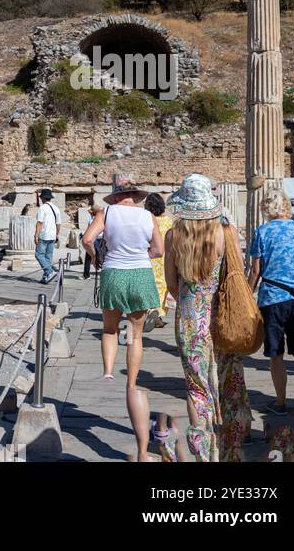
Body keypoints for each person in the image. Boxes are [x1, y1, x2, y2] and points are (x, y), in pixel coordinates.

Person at [81, 174, 162, 463]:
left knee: (109, 329)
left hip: (113, 272)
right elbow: (158, 250)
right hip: (140, 272)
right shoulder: (149, 216)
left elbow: (87, 239)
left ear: (116, 195)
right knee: (136, 334)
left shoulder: (107, 212)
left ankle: (107, 371)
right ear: (137, 196)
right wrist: (142, 255)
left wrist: (96, 257)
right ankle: (133, 380)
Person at [163, 174, 229, 462]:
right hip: (219, 318)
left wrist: (191, 299)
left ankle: (203, 452)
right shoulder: (221, 234)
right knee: (221, 380)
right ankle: (224, 444)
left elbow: (172, 284)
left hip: (190, 319)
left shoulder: (173, 236)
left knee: (195, 386)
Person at [247, 188, 294, 416]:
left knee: (276, 353)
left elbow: (256, 269)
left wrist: (248, 294)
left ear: (267, 207)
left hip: (273, 299)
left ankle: (280, 402)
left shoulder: (263, 232)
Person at [144, 193, 173, 331]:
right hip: (165, 259)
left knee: (150, 286)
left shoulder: (146, 220)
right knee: (163, 287)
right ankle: (158, 314)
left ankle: (151, 312)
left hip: (150, 257)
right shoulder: (168, 221)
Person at [34, 189, 62, 284]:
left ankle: (50, 272)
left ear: (42, 198)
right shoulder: (56, 208)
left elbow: (40, 222)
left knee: (38, 254)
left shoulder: (42, 208)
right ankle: (46, 277)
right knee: (48, 257)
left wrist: (36, 235)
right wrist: (57, 234)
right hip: (53, 235)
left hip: (44, 235)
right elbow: (58, 224)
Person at [83, 204, 104, 280]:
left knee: (88, 258)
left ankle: (86, 274)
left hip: (94, 239)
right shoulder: (102, 219)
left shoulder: (91, 220)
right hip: (101, 239)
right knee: (102, 257)